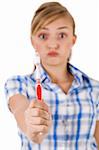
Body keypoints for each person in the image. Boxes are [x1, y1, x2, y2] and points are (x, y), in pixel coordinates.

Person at [4, 2, 99, 150]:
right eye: (43, 36)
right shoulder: (18, 84)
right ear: (33, 42)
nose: (53, 44)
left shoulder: (95, 89)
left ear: (73, 40)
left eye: (61, 35)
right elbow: (21, 111)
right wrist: (33, 127)